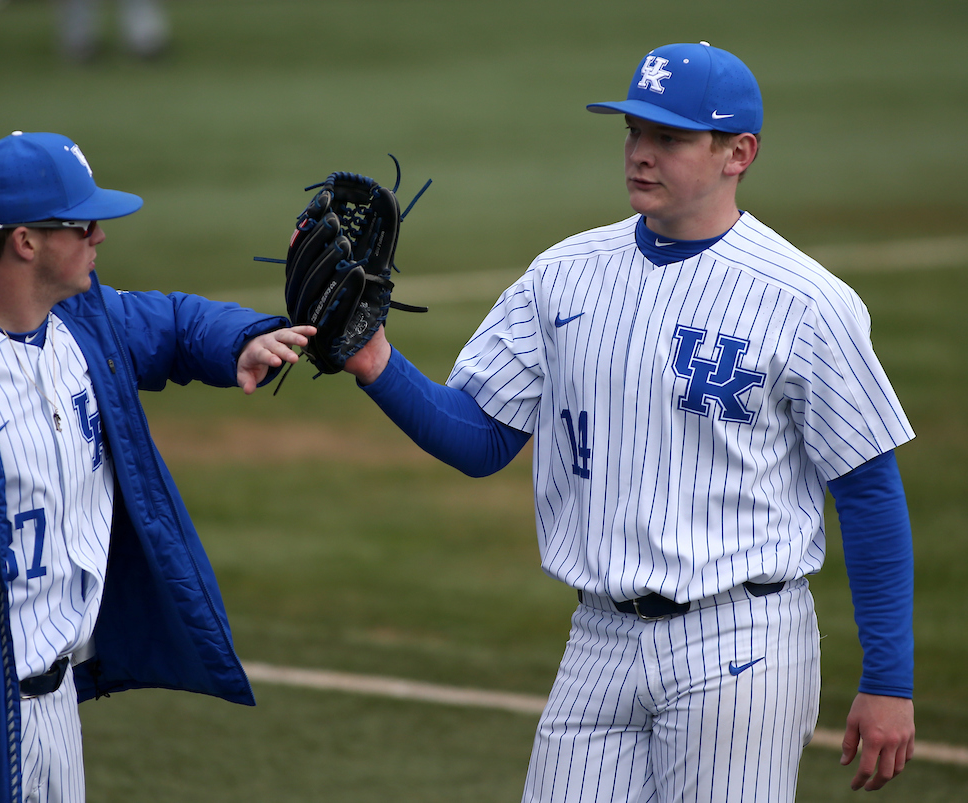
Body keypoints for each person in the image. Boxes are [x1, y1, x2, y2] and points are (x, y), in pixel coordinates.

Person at [342, 42, 915, 801]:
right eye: (634, 131)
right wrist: (376, 360)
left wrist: (889, 679)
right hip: (598, 642)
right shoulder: (562, 275)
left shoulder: (807, 302)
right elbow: (481, 439)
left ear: (738, 153)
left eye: (670, 138)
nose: (642, 154)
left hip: (740, 644)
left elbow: (869, 490)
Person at [0, 131, 312, 803]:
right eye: (82, 223)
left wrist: (245, 338)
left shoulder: (81, 323)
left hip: (57, 708)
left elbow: (173, 324)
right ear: (26, 241)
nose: (100, 235)